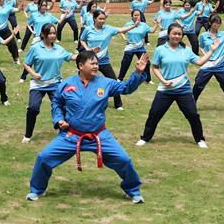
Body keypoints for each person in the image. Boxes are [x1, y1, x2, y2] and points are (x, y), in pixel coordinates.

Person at [26, 50, 150, 203]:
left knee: (124, 160)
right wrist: (59, 119)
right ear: (80, 65)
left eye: (97, 63)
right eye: (92, 63)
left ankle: (133, 191)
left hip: (99, 135)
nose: (96, 66)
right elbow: (56, 103)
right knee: (44, 158)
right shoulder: (66, 84)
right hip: (71, 135)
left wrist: (137, 72)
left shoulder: (105, 83)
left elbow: (126, 88)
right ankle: (37, 190)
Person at [136, 23, 212, 148]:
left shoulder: (186, 50)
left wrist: (212, 51)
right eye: (174, 33)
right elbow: (155, 68)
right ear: (169, 34)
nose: (177, 36)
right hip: (165, 89)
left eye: (179, 34)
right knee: (154, 114)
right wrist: (163, 80)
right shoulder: (160, 49)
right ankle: (145, 138)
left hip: (183, 89)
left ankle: (200, 139)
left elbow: (199, 62)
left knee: (193, 115)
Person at [22, 24, 77, 143]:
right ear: (43, 34)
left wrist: (87, 53)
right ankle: (28, 135)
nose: (52, 36)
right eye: (50, 33)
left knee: (62, 107)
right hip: (38, 84)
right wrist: (33, 74)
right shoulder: (35, 48)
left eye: (54, 33)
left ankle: (63, 132)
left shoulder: (59, 49)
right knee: (33, 108)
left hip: (55, 84)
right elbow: (26, 63)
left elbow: (71, 56)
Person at [79, 10, 140, 111]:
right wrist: (88, 49)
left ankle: (118, 104)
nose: (102, 21)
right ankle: (81, 100)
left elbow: (121, 30)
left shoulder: (108, 29)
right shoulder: (88, 29)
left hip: (103, 61)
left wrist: (134, 26)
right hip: (89, 60)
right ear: (94, 19)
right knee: (83, 81)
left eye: (104, 19)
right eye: (100, 19)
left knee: (113, 81)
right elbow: (82, 39)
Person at [192, 16, 224, 113]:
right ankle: (191, 104)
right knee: (198, 84)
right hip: (208, 65)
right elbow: (201, 47)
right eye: (215, 22)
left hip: (220, 66)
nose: (217, 25)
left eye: (219, 23)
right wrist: (206, 56)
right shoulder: (204, 35)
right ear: (210, 23)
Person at [19, 0, 60, 81]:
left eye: (45, 5)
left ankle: (50, 75)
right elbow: (28, 23)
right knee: (32, 58)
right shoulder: (34, 15)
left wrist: (65, 14)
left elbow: (58, 21)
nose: (44, 7)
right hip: (38, 38)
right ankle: (23, 77)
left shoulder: (49, 15)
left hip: (48, 39)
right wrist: (32, 31)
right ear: (39, 6)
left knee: (50, 58)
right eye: (42, 5)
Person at [116, 10, 158, 83]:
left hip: (140, 47)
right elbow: (121, 32)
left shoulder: (143, 25)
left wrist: (157, 23)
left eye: (138, 15)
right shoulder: (128, 24)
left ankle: (148, 80)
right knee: (125, 63)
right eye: (135, 15)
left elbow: (152, 30)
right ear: (132, 16)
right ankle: (120, 78)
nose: (136, 16)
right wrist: (125, 39)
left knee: (146, 62)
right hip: (130, 47)